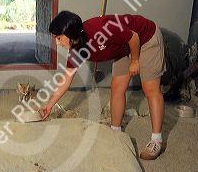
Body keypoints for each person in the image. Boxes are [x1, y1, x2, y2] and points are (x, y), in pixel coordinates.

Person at [40, 11, 166, 160]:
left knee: (150, 89)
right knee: (117, 89)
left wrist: (135, 61)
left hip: (145, 38)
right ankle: (115, 131)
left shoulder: (101, 30)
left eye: (59, 38)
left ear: (70, 34)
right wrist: (49, 105)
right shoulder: (76, 50)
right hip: (123, 46)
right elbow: (66, 80)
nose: (57, 43)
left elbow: (134, 37)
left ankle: (156, 140)